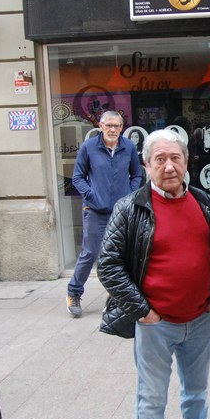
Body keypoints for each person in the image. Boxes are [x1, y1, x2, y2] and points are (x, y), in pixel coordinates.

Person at [97, 129, 210, 419]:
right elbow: (108, 265)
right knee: (152, 396)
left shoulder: (204, 202)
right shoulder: (130, 208)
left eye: (175, 158)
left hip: (200, 318)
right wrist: (143, 312)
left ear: (187, 163)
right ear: (146, 164)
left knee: (196, 388)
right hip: (155, 323)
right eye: (160, 159)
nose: (169, 166)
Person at [68, 110, 141, 317]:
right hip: (95, 211)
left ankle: (118, 296)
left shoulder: (129, 147)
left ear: (121, 128)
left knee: (122, 254)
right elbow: (78, 178)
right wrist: (92, 196)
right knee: (90, 253)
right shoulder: (89, 147)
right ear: (100, 126)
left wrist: (130, 194)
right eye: (108, 125)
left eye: (117, 126)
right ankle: (74, 292)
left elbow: (137, 174)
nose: (112, 129)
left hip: (122, 211)